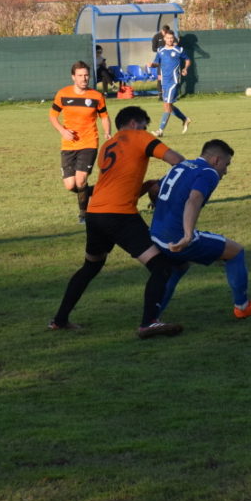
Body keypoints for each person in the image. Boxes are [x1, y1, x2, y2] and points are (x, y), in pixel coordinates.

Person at [48, 105, 186, 339]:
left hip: (95, 214)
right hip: (119, 215)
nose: (145, 130)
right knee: (161, 267)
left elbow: (116, 184)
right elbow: (179, 162)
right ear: (134, 124)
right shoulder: (141, 136)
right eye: (143, 125)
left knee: (90, 267)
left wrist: (148, 185)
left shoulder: (107, 146)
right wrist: (162, 184)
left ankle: (59, 320)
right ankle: (148, 323)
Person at [149, 139, 251, 319]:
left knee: (178, 266)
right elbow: (194, 199)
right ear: (216, 160)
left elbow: (154, 188)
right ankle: (242, 307)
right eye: (226, 164)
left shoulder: (182, 165)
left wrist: (156, 203)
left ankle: (152, 318)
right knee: (236, 252)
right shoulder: (209, 173)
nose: (226, 171)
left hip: (156, 234)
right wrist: (188, 235)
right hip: (177, 236)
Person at [49, 61, 112, 223]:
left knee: (81, 180)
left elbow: (104, 116)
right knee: (70, 185)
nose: (84, 78)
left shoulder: (96, 96)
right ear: (73, 77)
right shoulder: (63, 94)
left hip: (89, 142)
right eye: (80, 76)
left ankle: (84, 214)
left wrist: (107, 132)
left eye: (86, 75)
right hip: (68, 145)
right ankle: (99, 191)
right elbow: (52, 116)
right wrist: (62, 130)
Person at [150, 31, 192, 137]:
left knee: (167, 106)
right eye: (168, 38)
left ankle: (160, 130)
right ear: (164, 39)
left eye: (172, 38)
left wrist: (185, 68)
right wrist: (152, 64)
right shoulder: (160, 50)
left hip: (174, 81)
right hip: (164, 81)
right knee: (168, 105)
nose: (170, 40)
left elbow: (187, 59)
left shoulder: (178, 50)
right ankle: (185, 119)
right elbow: (156, 62)